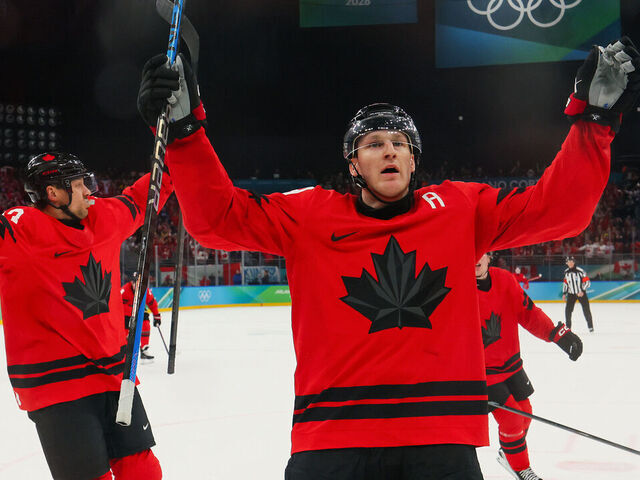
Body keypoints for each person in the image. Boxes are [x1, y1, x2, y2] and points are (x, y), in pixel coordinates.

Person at [136, 36, 639, 479]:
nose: (389, 151)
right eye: (373, 143)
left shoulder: (460, 209)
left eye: (400, 142)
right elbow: (217, 219)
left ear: (414, 160)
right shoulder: (309, 214)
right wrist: (184, 132)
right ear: (353, 163)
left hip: (441, 443)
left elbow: (560, 211)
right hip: (332, 442)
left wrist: (594, 121)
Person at [0, 152, 173, 480]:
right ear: (53, 194)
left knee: (144, 471)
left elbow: (143, 196)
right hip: (56, 386)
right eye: (79, 186)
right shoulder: (18, 229)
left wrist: (177, 150)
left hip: (112, 375)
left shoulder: (102, 216)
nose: (90, 192)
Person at [475, 253, 582, 480]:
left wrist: (558, 335)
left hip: (511, 364)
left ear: (489, 256)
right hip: (482, 372)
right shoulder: (457, 287)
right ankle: (521, 468)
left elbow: (528, 313)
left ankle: (509, 452)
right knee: (511, 418)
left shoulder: (505, 280)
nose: (475, 258)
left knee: (525, 412)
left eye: (480, 252)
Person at [120, 273, 162, 361]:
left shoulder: (145, 291)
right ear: (131, 282)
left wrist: (157, 316)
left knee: (145, 324)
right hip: (125, 314)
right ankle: (125, 351)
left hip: (139, 311)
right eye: (135, 283)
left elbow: (152, 303)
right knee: (126, 333)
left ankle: (144, 349)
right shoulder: (124, 290)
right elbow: (116, 304)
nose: (137, 286)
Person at [562, 255, 594, 332]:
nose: (570, 263)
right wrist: (564, 293)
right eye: (568, 262)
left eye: (571, 261)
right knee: (568, 311)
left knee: (586, 310)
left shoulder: (580, 271)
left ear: (574, 262)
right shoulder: (566, 272)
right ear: (566, 263)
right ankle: (568, 328)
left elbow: (587, 282)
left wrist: (582, 291)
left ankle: (590, 327)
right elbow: (565, 283)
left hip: (581, 293)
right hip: (571, 294)